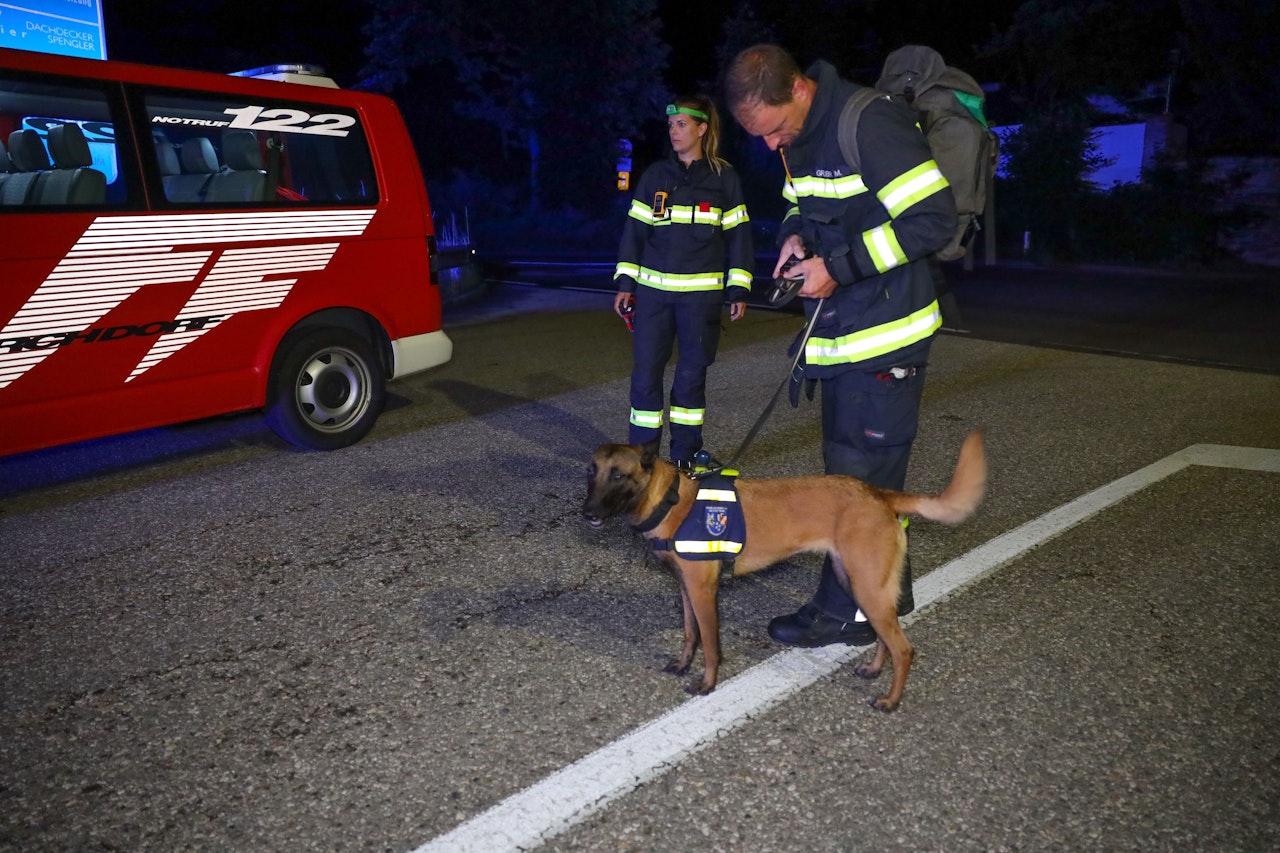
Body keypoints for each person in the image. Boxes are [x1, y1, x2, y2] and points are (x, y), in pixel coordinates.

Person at [725, 45, 958, 646]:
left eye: (773, 131)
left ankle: (843, 614)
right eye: (761, 139)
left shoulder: (868, 121)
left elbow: (933, 218)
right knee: (854, 478)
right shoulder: (800, 136)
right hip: (842, 330)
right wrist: (795, 239)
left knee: (856, 480)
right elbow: (804, 206)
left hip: (885, 334)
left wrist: (841, 266)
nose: (772, 147)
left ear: (799, 90)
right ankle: (887, 590)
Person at [614, 94, 754, 470]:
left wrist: (739, 287)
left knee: (690, 380)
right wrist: (626, 281)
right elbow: (634, 232)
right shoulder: (656, 176)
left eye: (682, 125)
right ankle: (641, 462)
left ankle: (685, 457)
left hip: (700, 301)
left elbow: (739, 236)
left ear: (701, 128)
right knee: (645, 379)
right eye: (671, 125)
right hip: (654, 298)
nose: (674, 132)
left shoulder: (724, 178)